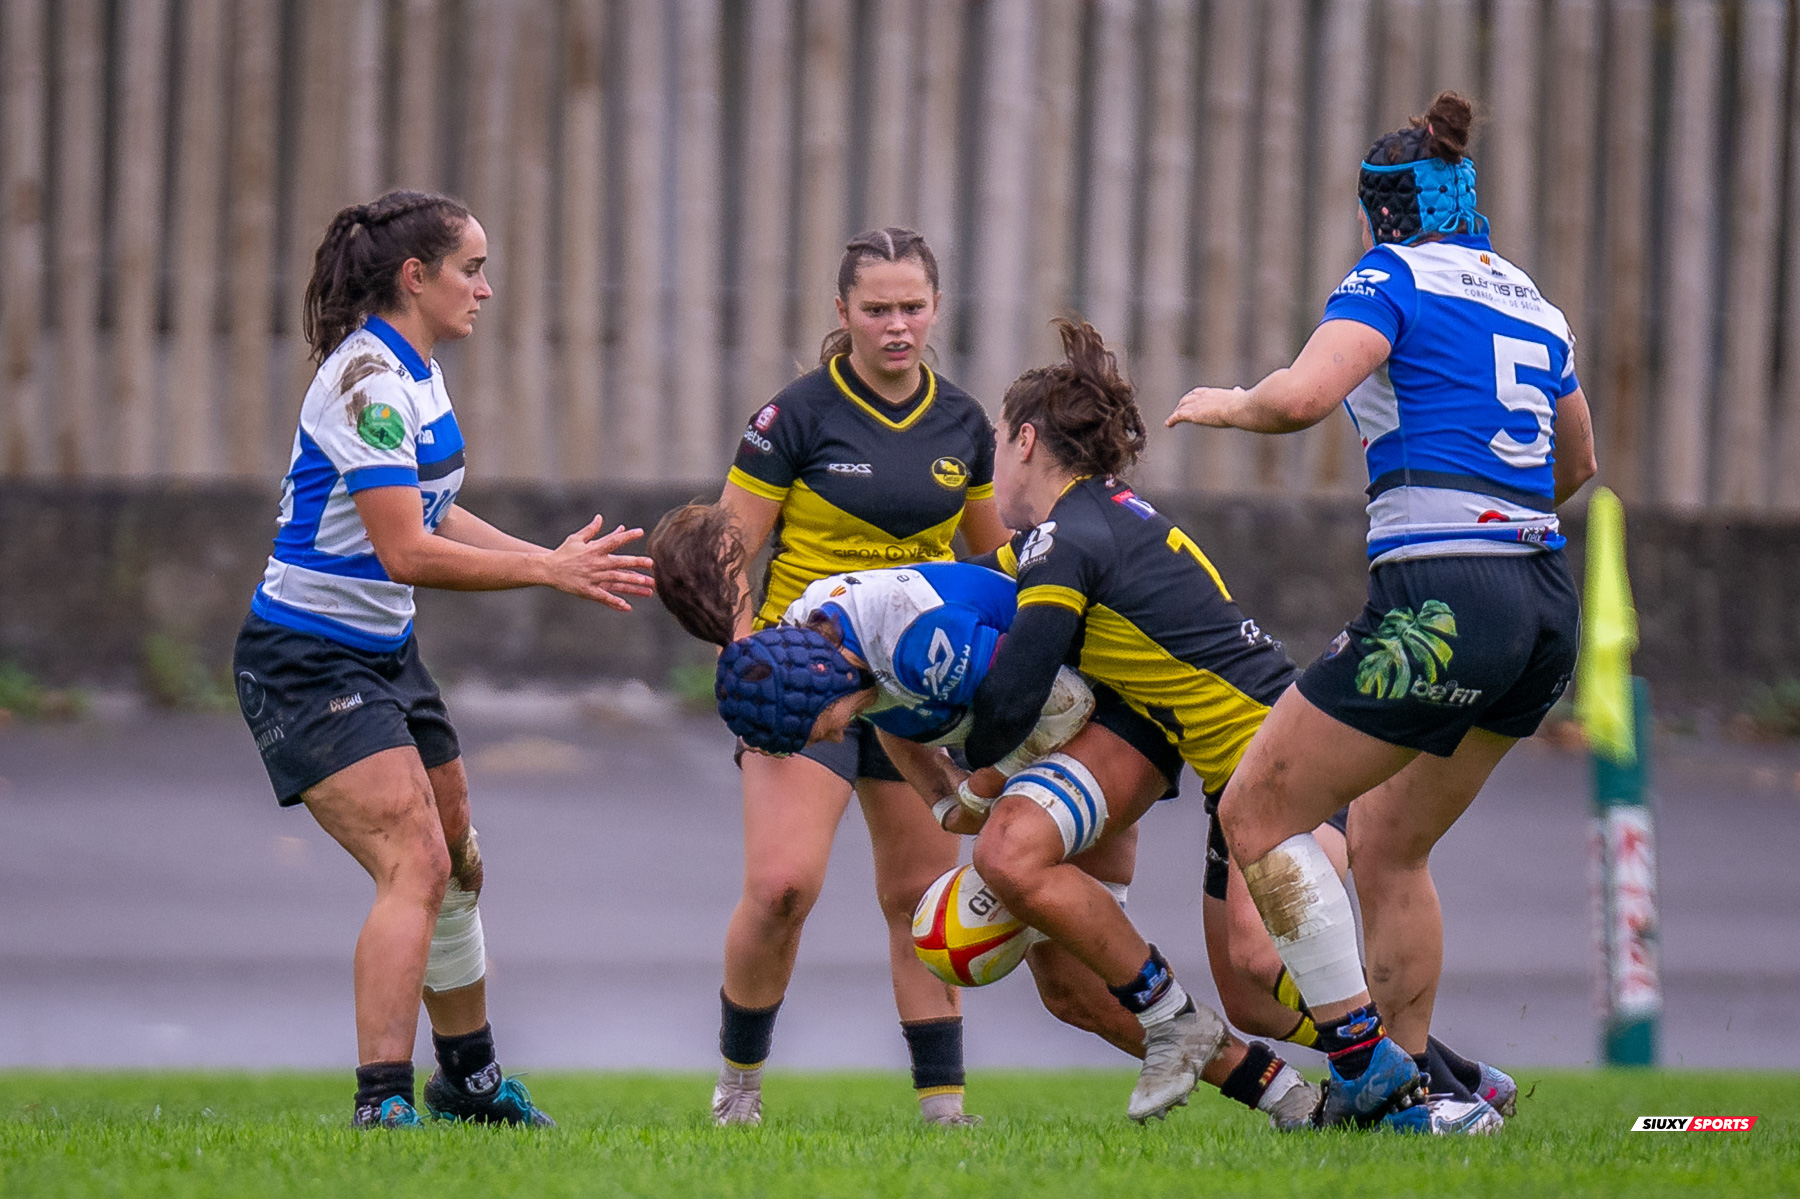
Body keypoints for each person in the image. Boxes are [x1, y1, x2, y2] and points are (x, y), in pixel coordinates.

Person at [1167, 91, 1596, 1133]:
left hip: (1445, 598)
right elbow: (1579, 463)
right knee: (1392, 844)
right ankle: (1424, 1090)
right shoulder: (1533, 301)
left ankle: (1369, 1073)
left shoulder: (1388, 277)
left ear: (1379, 215)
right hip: (1543, 601)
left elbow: (1309, 393)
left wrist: (1226, 401)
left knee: (1255, 810)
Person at [650, 527, 1320, 1130]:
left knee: (1009, 860)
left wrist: (977, 791)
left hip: (1111, 712)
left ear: (825, 688)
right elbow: (883, 706)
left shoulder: (922, 643)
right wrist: (942, 798)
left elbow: (1062, 710)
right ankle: (1292, 1097)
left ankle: (1349, 1039)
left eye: (812, 729)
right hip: (1054, 731)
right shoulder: (812, 626)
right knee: (1069, 988)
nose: (819, 742)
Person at [231, 190, 654, 1128]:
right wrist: (543, 569)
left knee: (458, 858)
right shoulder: (370, 384)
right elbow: (405, 551)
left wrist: (551, 562)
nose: (487, 288)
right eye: (471, 267)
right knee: (415, 862)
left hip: (382, 650)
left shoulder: (419, 370)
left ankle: (467, 1080)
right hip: (306, 659)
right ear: (413, 277)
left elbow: (429, 508)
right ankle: (382, 1104)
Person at [674, 227, 1011, 1127]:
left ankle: (944, 1111)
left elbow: (998, 562)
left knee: (918, 897)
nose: (896, 326)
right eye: (876, 310)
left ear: (936, 309)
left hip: (917, 689)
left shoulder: (965, 425)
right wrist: (744, 657)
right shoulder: (795, 416)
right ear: (842, 314)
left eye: (911, 307)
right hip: (807, 679)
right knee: (783, 885)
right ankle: (737, 1088)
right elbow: (728, 551)